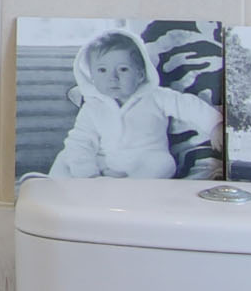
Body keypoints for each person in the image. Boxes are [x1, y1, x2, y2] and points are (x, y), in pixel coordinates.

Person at [54, 29, 191, 180]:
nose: (113, 77)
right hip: (102, 163)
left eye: (123, 69)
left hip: (141, 161)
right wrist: (88, 173)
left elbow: (190, 107)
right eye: (102, 70)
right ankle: (58, 185)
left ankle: (127, 187)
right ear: (91, 76)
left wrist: (211, 126)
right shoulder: (92, 106)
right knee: (66, 156)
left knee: (164, 163)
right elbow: (81, 140)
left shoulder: (156, 96)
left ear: (140, 74)